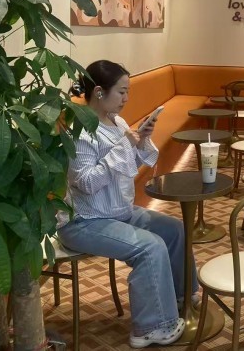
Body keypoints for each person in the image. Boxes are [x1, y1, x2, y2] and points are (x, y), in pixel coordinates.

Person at [57, 60, 196, 348]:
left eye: (127, 92)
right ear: (99, 92)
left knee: (174, 230)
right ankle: (151, 328)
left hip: (116, 212)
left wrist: (141, 139)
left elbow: (131, 161)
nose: (126, 99)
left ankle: (181, 295)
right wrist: (124, 146)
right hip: (84, 221)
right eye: (121, 92)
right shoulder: (79, 131)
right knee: (150, 247)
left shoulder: (116, 122)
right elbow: (86, 182)